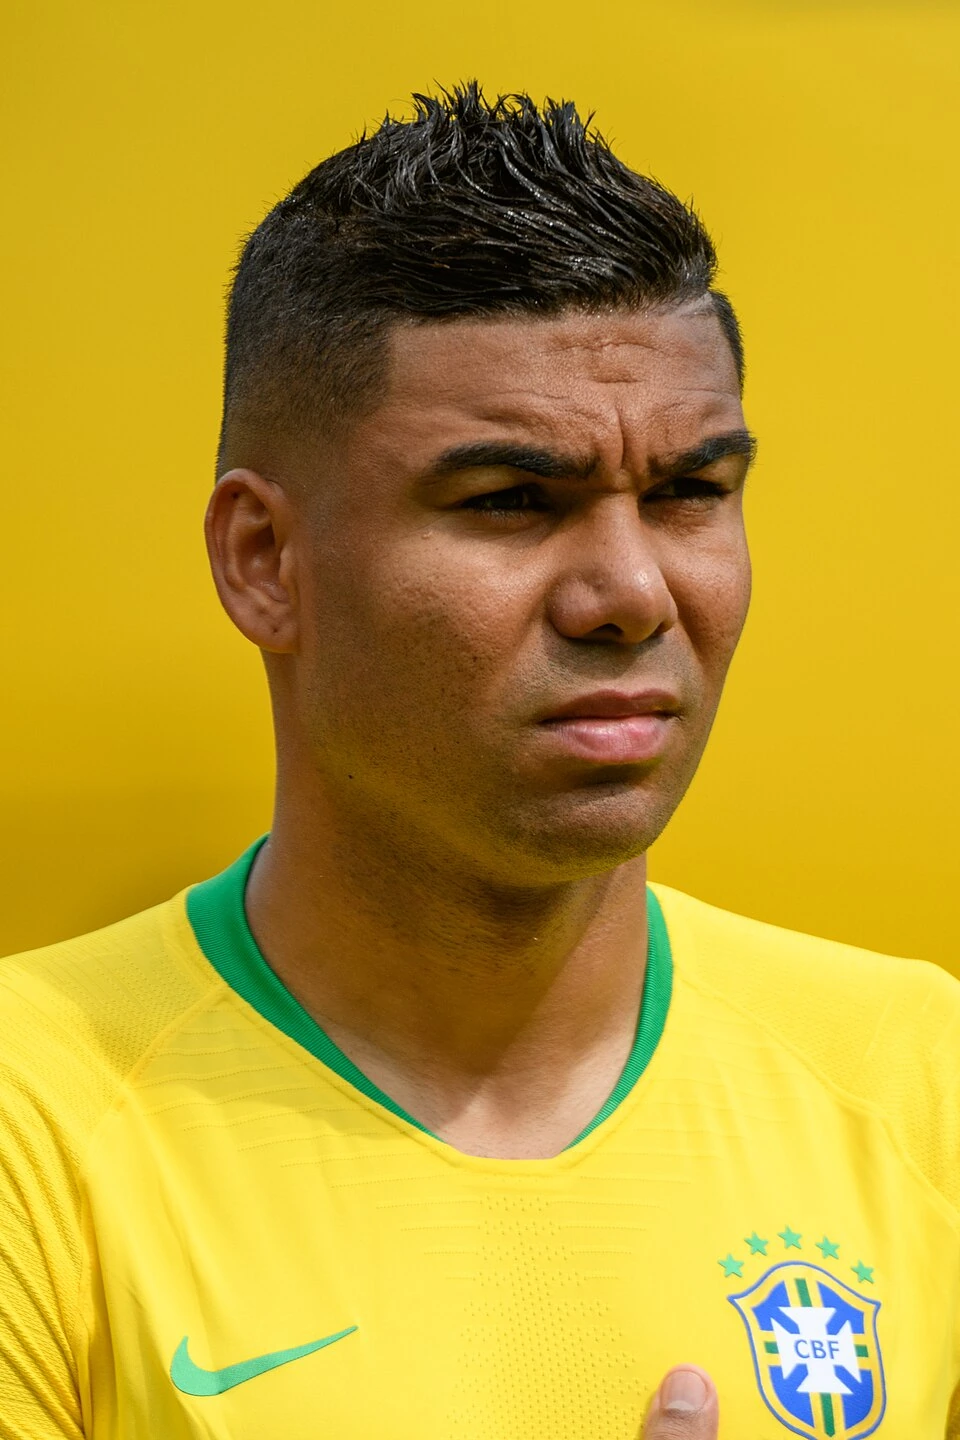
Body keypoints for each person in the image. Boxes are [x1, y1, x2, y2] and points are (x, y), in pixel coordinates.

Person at [0, 81, 957, 1440]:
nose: (631, 591)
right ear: (264, 560)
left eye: (692, 492)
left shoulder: (923, 1084)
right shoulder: (33, 1129)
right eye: (512, 501)